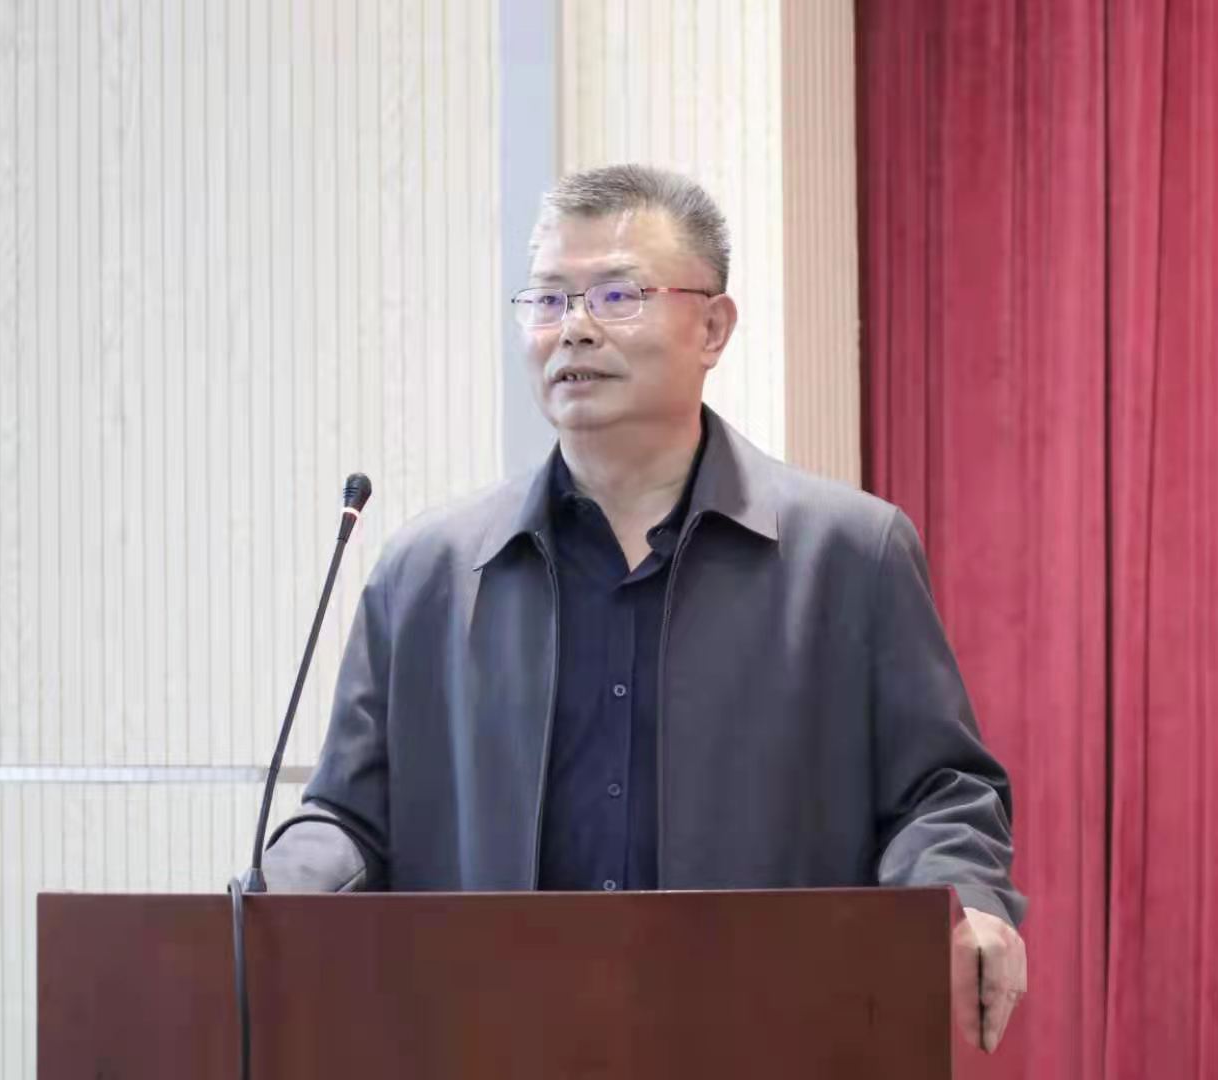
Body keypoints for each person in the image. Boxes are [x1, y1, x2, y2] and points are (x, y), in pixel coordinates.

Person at [263, 163, 1028, 1050]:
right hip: (494, 1046)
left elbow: (942, 792)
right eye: (548, 300)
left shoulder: (850, 555)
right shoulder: (427, 575)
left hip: (768, 1041)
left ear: (713, 327)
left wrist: (965, 901)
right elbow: (350, 818)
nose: (574, 328)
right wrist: (272, 895)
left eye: (617, 295)